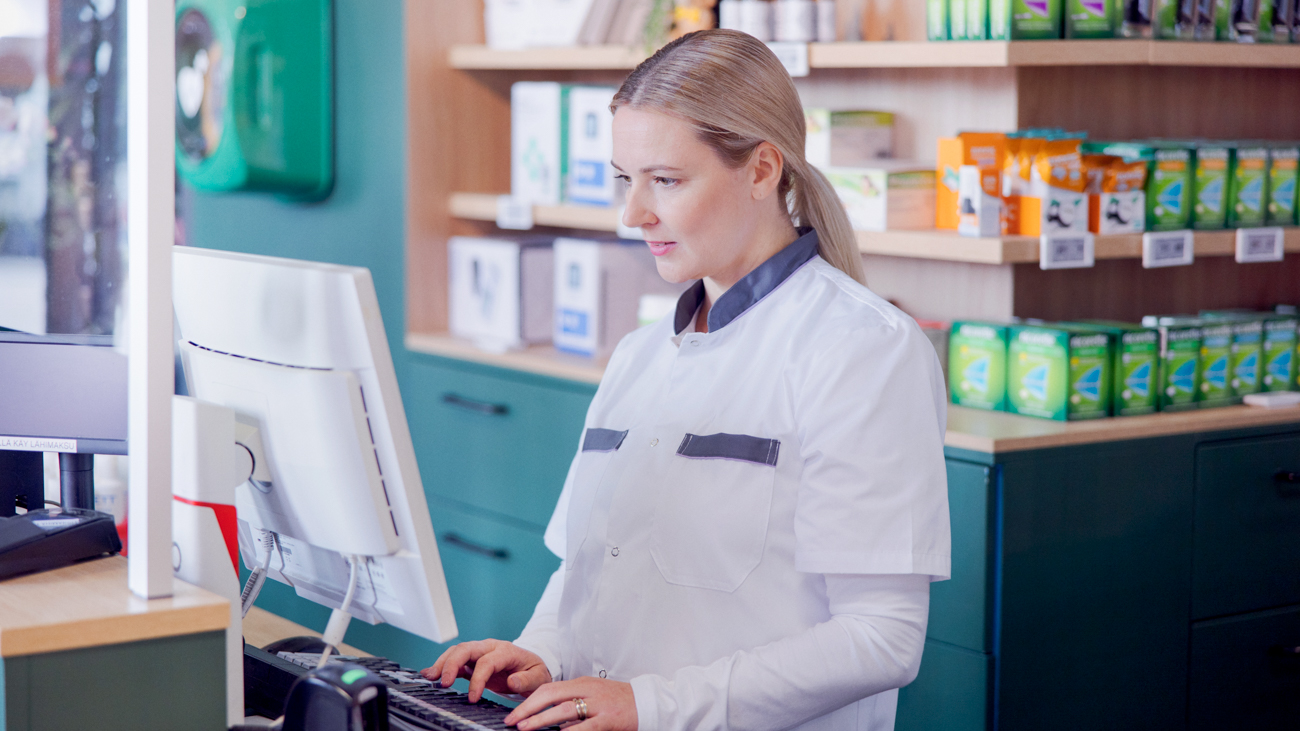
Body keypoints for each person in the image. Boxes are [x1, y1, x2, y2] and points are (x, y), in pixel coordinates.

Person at [422, 29, 950, 731]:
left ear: (762, 170)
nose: (632, 214)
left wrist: (652, 705)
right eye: (625, 179)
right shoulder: (639, 355)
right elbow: (583, 572)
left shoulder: (864, 350)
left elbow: (882, 637)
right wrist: (543, 651)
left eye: (664, 180)